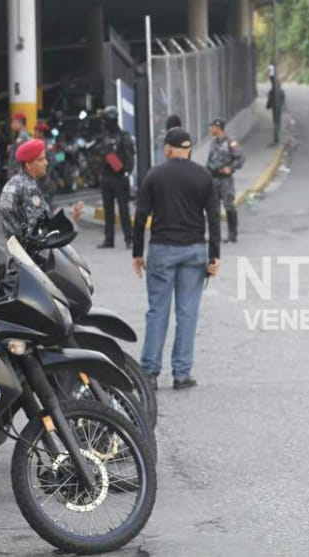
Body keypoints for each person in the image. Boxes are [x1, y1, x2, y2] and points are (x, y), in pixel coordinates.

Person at [132, 128, 220, 391]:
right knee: (187, 313)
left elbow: (140, 216)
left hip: (162, 249)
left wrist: (137, 252)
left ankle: (149, 372)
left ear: (169, 148)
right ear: (189, 148)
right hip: (194, 250)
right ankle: (182, 374)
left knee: (157, 311)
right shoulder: (203, 176)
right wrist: (214, 255)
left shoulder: (155, 175)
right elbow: (213, 218)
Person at [0, 139, 83, 239]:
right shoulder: (29, 188)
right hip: (28, 244)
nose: (46, 163)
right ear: (28, 165)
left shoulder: (14, 182)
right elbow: (41, 227)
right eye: (41, 160)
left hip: (15, 242)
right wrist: (69, 219)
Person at [97, 106, 136, 249]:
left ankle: (129, 239)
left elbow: (130, 156)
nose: (104, 123)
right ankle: (109, 239)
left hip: (119, 178)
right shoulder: (105, 136)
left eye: (106, 120)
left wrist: (125, 172)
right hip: (107, 177)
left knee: (124, 210)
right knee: (108, 211)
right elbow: (102, 153)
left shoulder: (123, 136)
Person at [205, 118, 245, 243]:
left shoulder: (230, 141)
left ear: (218, 127)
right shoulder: (213, 142)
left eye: (212, 126)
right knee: (213, 208)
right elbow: (210, 160)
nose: (210, 129)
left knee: (229, 206)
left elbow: (241, 158)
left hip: (225, 179)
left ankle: (232, 235)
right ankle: (215, 235)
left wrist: (231, 168)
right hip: (213, 178)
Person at [6, 112, 31, 178]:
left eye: (13, 122)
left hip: (18, 171)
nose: (11, 125)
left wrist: (13, 171)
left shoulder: (22, 137)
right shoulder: (21, 135)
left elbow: (19, 157)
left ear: (19, 123)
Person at [266, 76, 285, 146]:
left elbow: (269, 100)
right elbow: (283, 100)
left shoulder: (272, 91)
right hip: (278, 108)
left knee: (276, 122)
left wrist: (268, 106)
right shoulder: (281, 91)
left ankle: (276, 138)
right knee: (277, 122)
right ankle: (277, 136)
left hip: (275, 108)